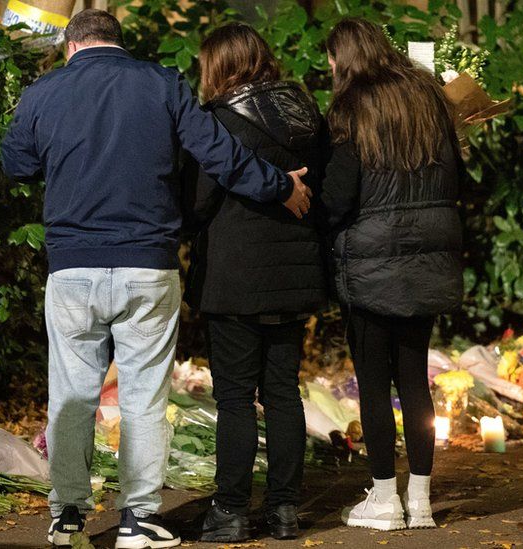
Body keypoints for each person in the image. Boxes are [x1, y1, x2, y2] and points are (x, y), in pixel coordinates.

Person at [0, 10, 313, 549]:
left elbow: (16, 163)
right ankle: (137, 520)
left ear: (73, 46)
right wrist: (278, 185)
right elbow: (220, 154)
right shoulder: (163, 83)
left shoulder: (45, 90)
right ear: (120, 44)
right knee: (143, 397)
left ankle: (68, 515)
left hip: (73, 264)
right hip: (148, 262)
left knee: (71, 394)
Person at [181, 23, 329, 543]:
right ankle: (285, 509)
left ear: (219, 65)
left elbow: (197, 203)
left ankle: (231, 510)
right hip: (295, 273)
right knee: (285, 393)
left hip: (235, 276)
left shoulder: (220, 122)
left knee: (237, 398)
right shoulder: (305, 113)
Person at [320, 18, 465, 532]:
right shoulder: (429, 98)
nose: (330, 68)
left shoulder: (351, 109)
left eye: (332, 58)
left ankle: (384, 499)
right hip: (428, 258)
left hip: (370, 264)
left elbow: (339, 194)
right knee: (414, 378)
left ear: (346, 57)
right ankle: (421, 499)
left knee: (375, 385)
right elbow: (458, 177)